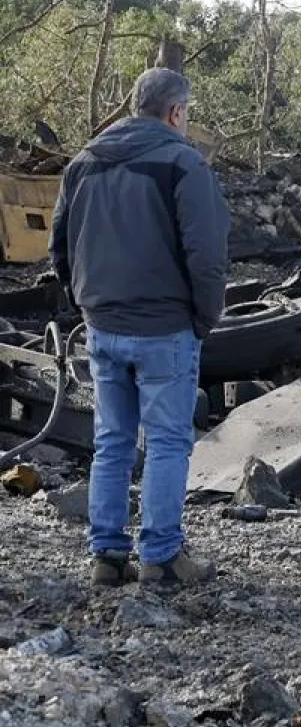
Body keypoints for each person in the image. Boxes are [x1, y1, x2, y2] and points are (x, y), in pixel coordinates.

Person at [50, 67, 230, 586]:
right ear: (176, 111)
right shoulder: (183, 162)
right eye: (187, 113)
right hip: (164, 327)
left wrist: (84, 302)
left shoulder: (83, 162)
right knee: (169, 442)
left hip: (102, 324)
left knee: (112, 442)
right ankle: (162, 557)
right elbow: (207, 251)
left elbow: (58, 245)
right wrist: (205, 316)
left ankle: (106, 556)